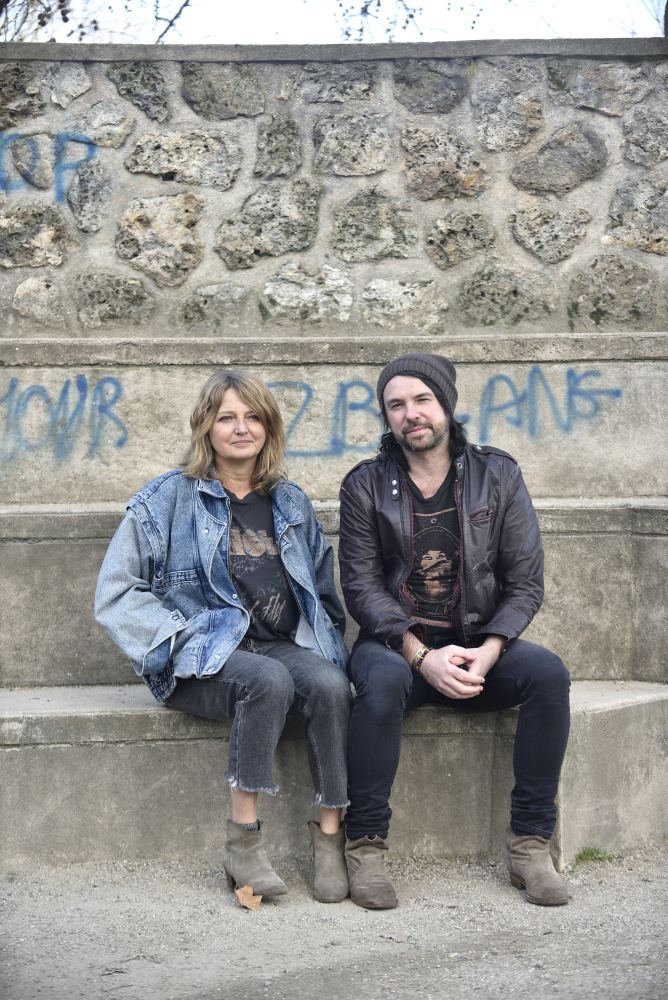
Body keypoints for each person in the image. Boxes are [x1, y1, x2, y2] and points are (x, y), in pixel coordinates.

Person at [95, 371, 351, 902]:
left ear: (269, 427)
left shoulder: (291, 503)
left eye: (253, 416)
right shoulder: (167, 498)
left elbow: (322, 594)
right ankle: (244, 842)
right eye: (227, 417)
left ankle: (329, 836)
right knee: (267, 679)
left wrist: (325, 648)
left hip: (276, 644)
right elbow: (117, 593)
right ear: (205, 426)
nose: (241, 428)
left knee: (329, 685)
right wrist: (178, 640)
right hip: (200, 657)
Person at [338, 352, 571, 910]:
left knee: (547, 674)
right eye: (396, 405)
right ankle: (365, 845)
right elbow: (363, 590)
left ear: (445, 404)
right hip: (399, 650)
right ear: (387, 417)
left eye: (422, 400)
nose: (410, 414)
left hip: (476, 650)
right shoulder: (364, 486)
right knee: (380, 684)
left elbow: (525, 581)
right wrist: (422, 657)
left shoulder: (498, 475)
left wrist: (490, 651)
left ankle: (530, 845)